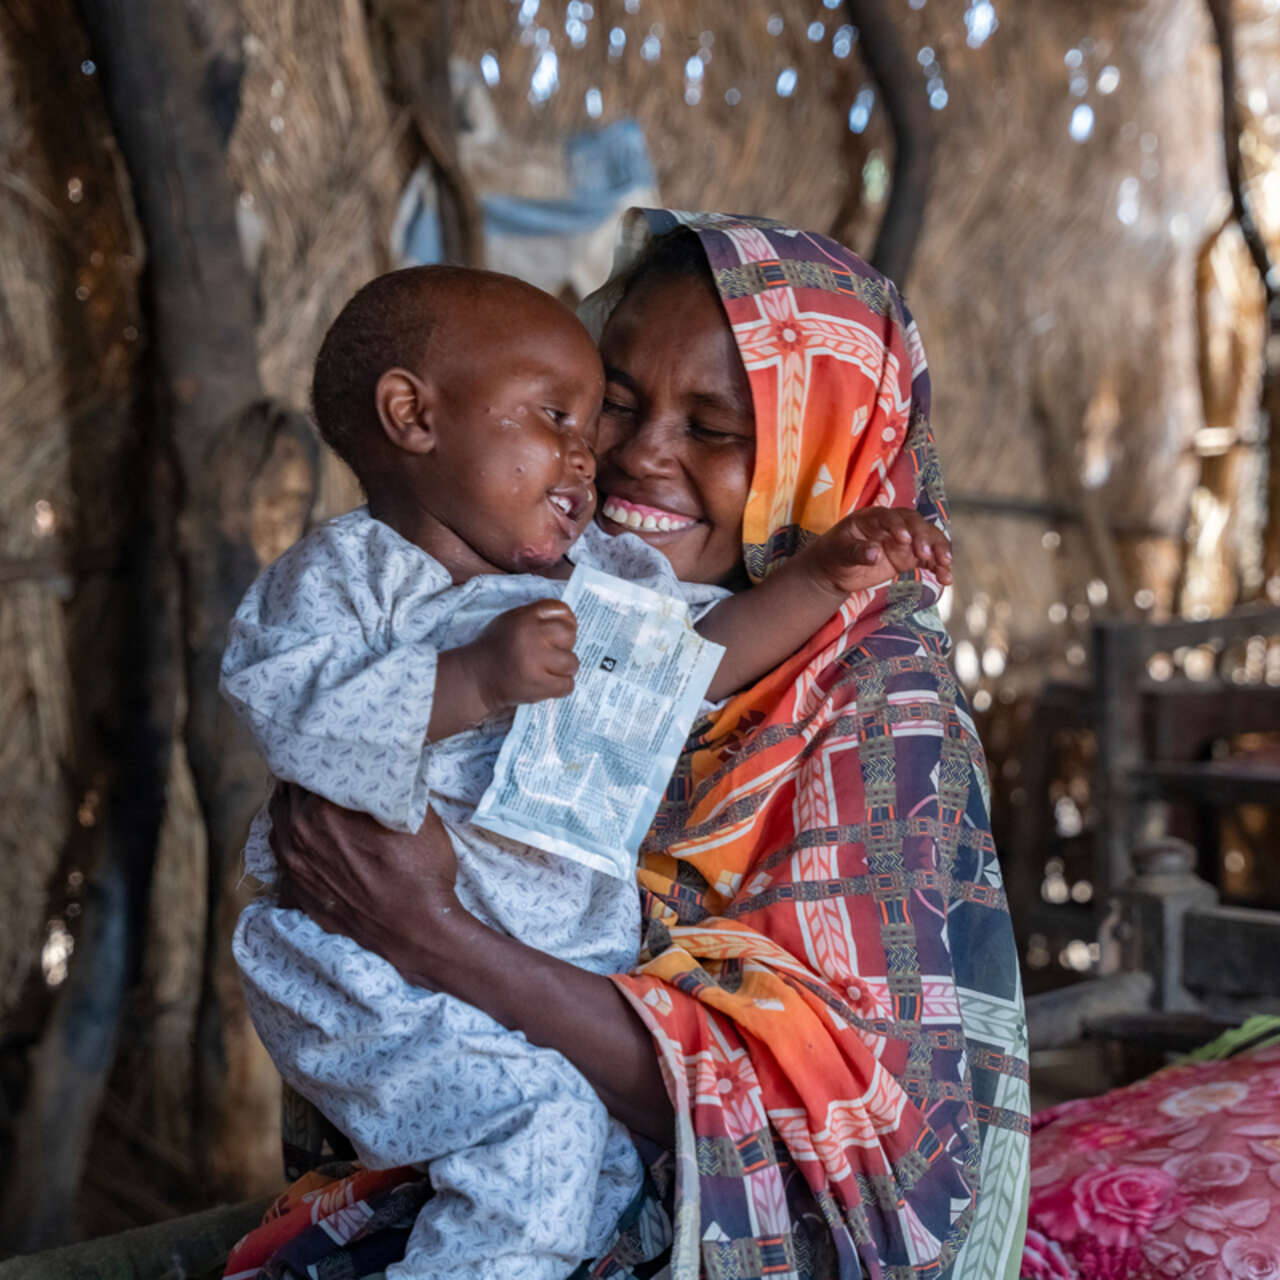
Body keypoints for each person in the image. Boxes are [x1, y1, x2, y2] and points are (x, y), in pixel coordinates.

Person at [223, 211, 1029, 1280]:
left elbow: (860, 1133)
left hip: (678, 1207)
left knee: (539, 1176)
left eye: (714, 426)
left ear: (815, 447)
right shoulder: (510, 583)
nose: (632, 454)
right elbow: (306, 719)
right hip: (425, 1082)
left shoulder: (871, 706)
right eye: (610, 403)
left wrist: (436, 931)